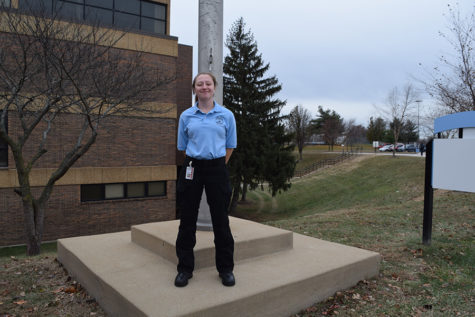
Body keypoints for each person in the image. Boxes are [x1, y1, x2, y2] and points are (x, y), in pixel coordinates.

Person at [174, 72, 237, 287]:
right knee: (187, 220)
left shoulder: (226, 115)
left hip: (217, 167)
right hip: (192, 167)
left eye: (207, 83)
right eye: (199, 84)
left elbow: (230, 146)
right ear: (194, 89)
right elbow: (183, 148)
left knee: (221, 220)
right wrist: (198, 162)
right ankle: (184, 269)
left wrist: (216, 166)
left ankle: (226, 269)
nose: (204, 87)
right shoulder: (186, 116)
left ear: (214, 87)